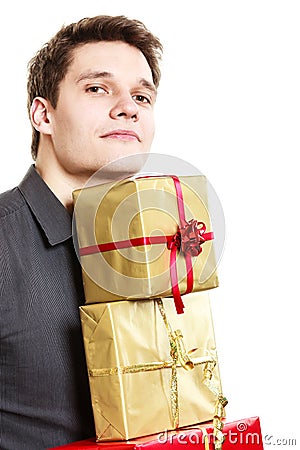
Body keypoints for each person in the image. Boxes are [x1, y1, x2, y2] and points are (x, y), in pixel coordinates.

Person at [0, 15, 162, 449]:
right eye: (97, 88)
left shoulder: (159, 244)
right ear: (43, 114)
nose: (128, 106)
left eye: (142, 96)